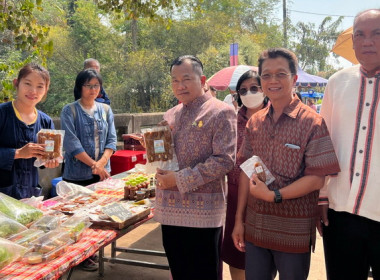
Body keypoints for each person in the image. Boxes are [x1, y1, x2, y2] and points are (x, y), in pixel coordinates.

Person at [232, 48, 340, 280]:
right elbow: (245, 171)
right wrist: (239, 220)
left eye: (280, 74)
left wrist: (274, 195)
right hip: (256, 229)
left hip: (293, 233)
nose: (273, 80)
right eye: (266, 75)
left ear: (294, 78)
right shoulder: (255, 122)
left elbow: (316, 178)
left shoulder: (312, 122)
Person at [154, 55, 237, 280]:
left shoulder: (221, 112)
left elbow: (225, 160)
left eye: (186, 79)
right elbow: (164, 158)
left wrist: (179, 179)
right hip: (170, 210)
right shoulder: (170, 114)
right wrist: (156, 144)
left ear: (202, 80)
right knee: (179, 273)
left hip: (203, 214)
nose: (180, 86)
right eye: (174, 80)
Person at [319, 9, 380, 280]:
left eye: (377, 34)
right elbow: (323, 142)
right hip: (340, 211)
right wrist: (321, 196)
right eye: (360, 35)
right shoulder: (337, 82)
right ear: (352, 42)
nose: (368, 42)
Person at [221, 70, 268, 280]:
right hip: (234, 191)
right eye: (243, 90)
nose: (249, 93)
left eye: (254, 88)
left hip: (266, 194)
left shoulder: (276, 117)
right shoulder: (230, 120)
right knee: (236, 250)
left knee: (263, 252)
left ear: (264, 89)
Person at [0, 63, 59, 199]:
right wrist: (18, 153)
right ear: (17, 83)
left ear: (46, 90)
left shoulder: (45, 121)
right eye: (27, 84)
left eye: (40, 86)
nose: (33, 91)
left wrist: (50, 160)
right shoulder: (3, 114)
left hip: (30, 194)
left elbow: (47, 157)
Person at [61, 68, 116, 186]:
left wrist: (101, 163)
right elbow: (72, 144)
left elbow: (111, 140)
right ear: (80, 87)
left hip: (102, 173)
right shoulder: (69, 110)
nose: (93, 89)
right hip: (77, 176)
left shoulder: (106, 109)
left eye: (96, 85)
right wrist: (94, 165)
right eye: (88, 85)